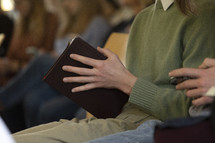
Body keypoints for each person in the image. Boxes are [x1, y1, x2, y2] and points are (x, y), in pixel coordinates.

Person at [13, 0, 215, 143]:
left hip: (150, 126)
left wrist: (124, 82)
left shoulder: (203, 13)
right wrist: (104, 85)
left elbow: (191, 114)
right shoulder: (143, 17)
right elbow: (132, 94)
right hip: (120, 118)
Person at [0, 0, 116, 128]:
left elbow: (92, 58)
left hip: (79, 74)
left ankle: (2, 98)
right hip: (63, 73)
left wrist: (57, 56)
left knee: (42, 60)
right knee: (33, 98)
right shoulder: (70, 23)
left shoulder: (97, 23)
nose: (66, 4)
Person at [86, 58, 215, 143]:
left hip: (167, 123)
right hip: (140, 120)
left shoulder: (201, 21)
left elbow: (187, 112)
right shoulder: (142, 20)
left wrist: (128, 84)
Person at [0, 0, 58, 85]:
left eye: (19, 3)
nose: (16, 8)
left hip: (31, 79)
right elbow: (10, 56)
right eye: (14, 3)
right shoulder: (20, 24)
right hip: (12, 78)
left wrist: (14, 66)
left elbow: (45, 63)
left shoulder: (50, 20)